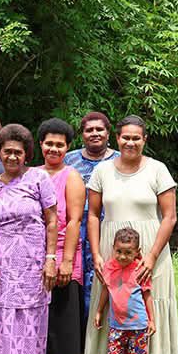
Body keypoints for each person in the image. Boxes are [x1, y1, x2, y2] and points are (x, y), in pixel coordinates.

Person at [84, 115, 178, 354]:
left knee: (154, 301)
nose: (130, 142)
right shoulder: (102, 171)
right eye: (126, 137)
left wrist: (150, 257)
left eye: (136, 137)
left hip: (152, 247)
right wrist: (97, 254)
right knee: (116, 304)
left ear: (144, 140)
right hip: (112, 249)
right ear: (117, 138)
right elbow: (92, 215)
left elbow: (170, 216)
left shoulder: (157, 170)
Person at [0, 123, 58, 354]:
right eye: (6, 152)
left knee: (30, 320)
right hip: (3, 263)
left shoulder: (38, 179)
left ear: (26, 154)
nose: (12, 157)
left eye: (17, 152)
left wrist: (51, 259)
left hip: (33, 262)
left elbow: (52, 220)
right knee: (2, 318)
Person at [37, 118, 86, 354]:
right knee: (41, 310)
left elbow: (74, 220)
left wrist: (66, 261)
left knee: (65, 311)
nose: (54, 149)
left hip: (66, 251)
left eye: (60, 144)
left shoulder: (72, 176)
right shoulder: (31, 173)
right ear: (41, 144)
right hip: (38, 252)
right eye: (49, 144)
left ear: (67, 147)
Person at [94, 227, 156, 354]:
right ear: (113, 248)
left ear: (137, 251)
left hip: (138, 324)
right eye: (119, 251)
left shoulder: (140, 269)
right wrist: (99, 310)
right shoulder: (108, 268)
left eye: (128, 252)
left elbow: (147, 295)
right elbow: (105, 290)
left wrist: (151, 320)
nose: (122, 256)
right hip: (116, 324)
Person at [65, 112, 119, 312]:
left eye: (99, 129)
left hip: (109, 231)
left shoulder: (119, 160)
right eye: (89, 130)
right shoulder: (69, 160)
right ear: (82, 135)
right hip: (75, 233)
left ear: (108, 133)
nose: (94, 133)